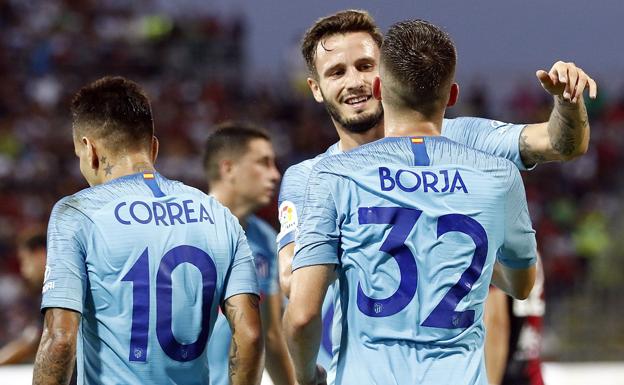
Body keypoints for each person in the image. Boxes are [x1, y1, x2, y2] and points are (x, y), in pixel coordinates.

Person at [276, 8, 596, 372]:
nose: (354, 82)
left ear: (385, 72)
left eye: (365, 66)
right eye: (337, 72)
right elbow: (291, 281)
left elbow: (560, 143)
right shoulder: (309, 177)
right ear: (316, 89)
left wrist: (568, 103)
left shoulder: (456, 138)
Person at [32, 76, 264, 385]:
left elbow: (60, 339)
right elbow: (249, 334)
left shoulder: (77, 214)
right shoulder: (219, 215)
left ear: (90, 151)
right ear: (153, 148)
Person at [203, 123, 295, 385]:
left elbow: (272, 335)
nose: (275, 175)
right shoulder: (185, 233)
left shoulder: (266, 239)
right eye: (263, 163)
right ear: (228, 168)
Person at [485, 259, 546, 385]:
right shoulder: (528, 250)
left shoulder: (497, 250)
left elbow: (496, 325)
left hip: (504, 375)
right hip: (530, 375)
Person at [0, 228, 47, 365]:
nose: (24, 271)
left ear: (40, 254)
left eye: (25, 261)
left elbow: (32, 341)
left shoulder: (57, 291)